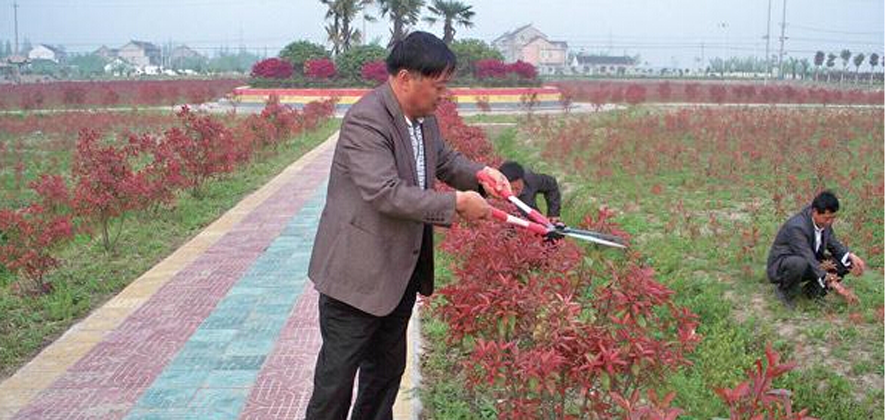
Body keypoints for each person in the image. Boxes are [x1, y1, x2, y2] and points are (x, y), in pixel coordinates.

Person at [304, 32, 511, 420]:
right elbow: (386, 193)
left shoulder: (422, 119)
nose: (442, 95)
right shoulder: (366, 120)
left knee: (383, 380)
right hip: (355, 279)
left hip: (398, 276)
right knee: (334, 388)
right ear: (404, 79)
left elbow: (443, 160)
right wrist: (456, 204)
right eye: (438, 86)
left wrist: (481, 175)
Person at [766, 190, 867, 309]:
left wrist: (850, 256)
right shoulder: (797, 227)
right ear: (814, 212)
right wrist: (834, 283)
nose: (830, 222)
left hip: (808, 261)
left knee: (845, 262)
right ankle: (784, 291)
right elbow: (807, 256)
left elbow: (833, 243)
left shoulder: (824, 222)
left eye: (833, 218)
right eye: (827, 218)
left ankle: (812, 291)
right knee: (799, 263)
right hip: (785, 266)